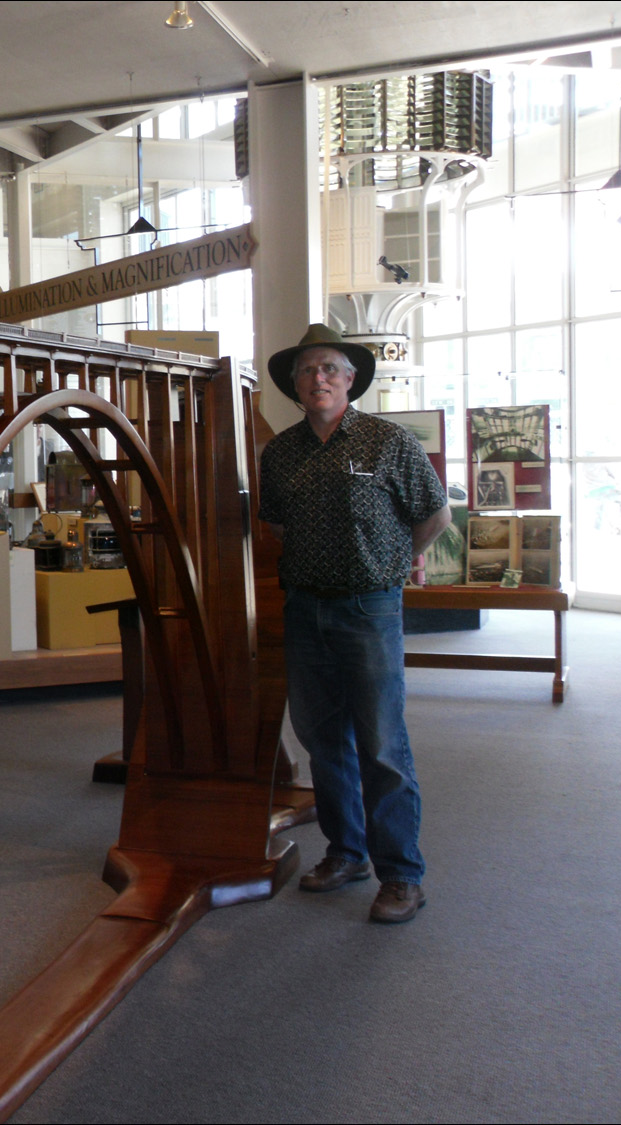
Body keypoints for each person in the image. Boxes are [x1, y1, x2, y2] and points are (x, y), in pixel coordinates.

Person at [258, 324, 451, 924]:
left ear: (350, 381)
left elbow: (434, 515)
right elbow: (277, 526)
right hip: (305, 607)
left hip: (370, 608)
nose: (319, 378)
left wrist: (392, 560)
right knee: (322, 741)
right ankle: (347, 854)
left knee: (382, 743)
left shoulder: (388, 441)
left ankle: (401, 876)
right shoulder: (280, 452)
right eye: (308, 369)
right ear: (295, 384)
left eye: (330, 369)